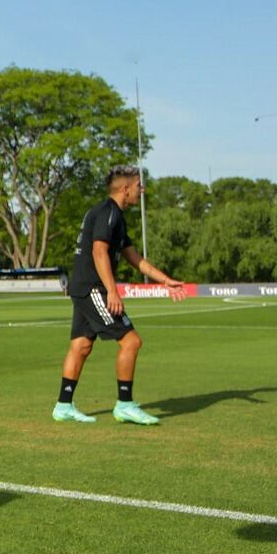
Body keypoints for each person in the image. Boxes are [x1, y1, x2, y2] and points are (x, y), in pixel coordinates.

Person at [53, 165, 186, 425]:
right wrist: (112, 291)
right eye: (139, 185)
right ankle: (124, 405)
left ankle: (63, 406)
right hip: (93, 288)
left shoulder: (116, 216)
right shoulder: (107, 213)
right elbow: (99, 252)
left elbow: (134, 257)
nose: (142, 190)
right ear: (125, 188)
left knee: (81, 345)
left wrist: (165, 280)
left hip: (83, 287)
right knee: (131, 341)